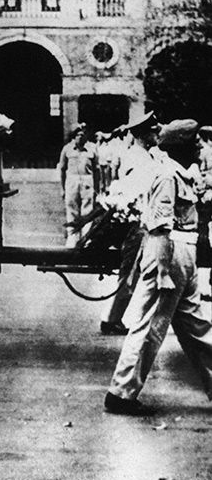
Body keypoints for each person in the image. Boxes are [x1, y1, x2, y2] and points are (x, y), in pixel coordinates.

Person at [104, 119, 212, 416]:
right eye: (196, 141)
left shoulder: (183, 173)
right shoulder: (167, 176)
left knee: (195, 327)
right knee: (151, 326)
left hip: (183, 253)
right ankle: (121, 394)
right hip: (170, 253)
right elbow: (161, 227)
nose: (201, 145)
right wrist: (163, 272)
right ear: (181, 147)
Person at [100, 112, 163, 336]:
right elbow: (134, 193)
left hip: (145, 221)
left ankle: (117, 318)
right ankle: (112, 319)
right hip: (137, 223)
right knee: (130, 273)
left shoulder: (146, 155)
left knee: (140, 272)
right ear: (142, 134)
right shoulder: (137, 158)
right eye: (153, 131)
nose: (157, 134)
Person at [59, 125, 99, 247]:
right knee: (72, 210)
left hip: (87, 182)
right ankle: (72, 238)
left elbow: (96, 170)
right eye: (77, 134)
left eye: (83, 134)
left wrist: (97, 189)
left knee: (87, 212)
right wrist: (62, 188)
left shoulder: (92, 149)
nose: (80, 136)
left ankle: (86, 239)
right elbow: (62, 169)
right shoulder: (67, 149)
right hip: (72, 181)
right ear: (73, 136)